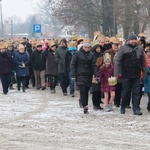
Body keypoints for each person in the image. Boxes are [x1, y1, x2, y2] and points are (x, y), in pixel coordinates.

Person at [114, 34, 147, 115]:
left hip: (136, 74)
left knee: (136, 92)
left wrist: (144, 73)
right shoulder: (123, 48)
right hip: (126, 74)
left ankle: (136, 109)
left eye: (135, 39)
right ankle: (123, 105)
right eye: (132, 40)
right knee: (126, 92)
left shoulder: (139, 48)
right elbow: (118, 61)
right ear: (128, 40)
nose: (133, 41)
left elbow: (143, 61)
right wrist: (116, 74)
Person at [71, 40, 98, 114]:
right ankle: (84, 105)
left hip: (88, 75)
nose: (86, 49)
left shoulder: (91, 55)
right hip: (79, 75)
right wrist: (73, 75)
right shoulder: (77, 54)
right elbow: (73, 64)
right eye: (85, 47)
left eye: (88, 47)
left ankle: (85, 104)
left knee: (86, 91)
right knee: (82, 90)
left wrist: (96, 75)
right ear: (83, 47)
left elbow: (94, 66)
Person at [91, 43, 103, 110]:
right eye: (97, 48)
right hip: (94, 75)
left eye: (99, 48)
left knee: (99, 90)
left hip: (101, 74)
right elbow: (93, 66)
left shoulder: (101, 55)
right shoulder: (92, 55)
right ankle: (95, 104)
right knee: (95, 90)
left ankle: (98, 104)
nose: (99, 49)